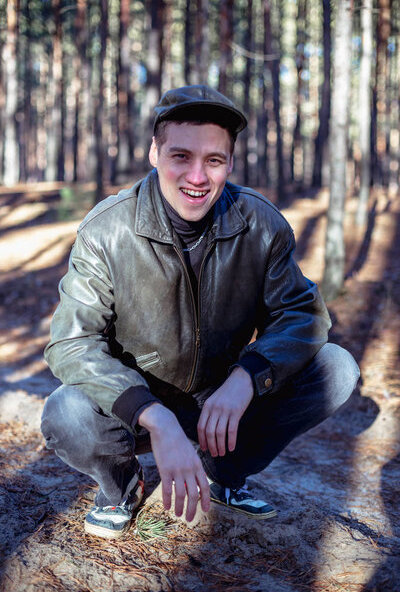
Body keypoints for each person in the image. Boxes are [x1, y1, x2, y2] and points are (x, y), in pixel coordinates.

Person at [41, 85, 360, 540]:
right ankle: (121, 489)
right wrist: (151, 413)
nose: (197, 176)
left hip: (220, 402)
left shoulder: (261, 224)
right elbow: (72, 343)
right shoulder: (106, 230)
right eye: (180, 156)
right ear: (154, 152)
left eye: (214, 160)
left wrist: (246, 377)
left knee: (337, 367)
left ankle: (224, 473)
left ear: (230, 163)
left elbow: (302, 315)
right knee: (66, 411)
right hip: (134, 407)